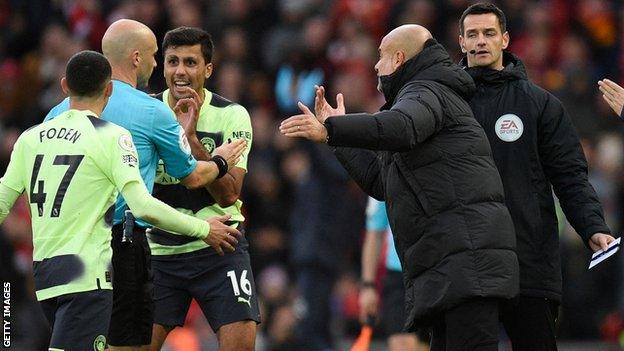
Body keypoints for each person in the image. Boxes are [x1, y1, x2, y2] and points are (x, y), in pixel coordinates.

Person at [280, 24, 519, 351]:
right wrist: (337, 142)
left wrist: (334, 129)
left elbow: (402, 128)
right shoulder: (419, 99)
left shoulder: (426, 91)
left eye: (381, 57)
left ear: (399, 58)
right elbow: (382, 184)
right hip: (450, 263)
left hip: (466, 261)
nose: (376, 66)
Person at [0, 50, 242, 351]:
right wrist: (203, 228)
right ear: (109, 89)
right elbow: (142, 206)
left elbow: (2, 203)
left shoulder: (29, 138)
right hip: (87, 279)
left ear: (65, 87)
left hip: (46, 280)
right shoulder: (112, 136)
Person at [458, 3, 616, 350]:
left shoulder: (539, 105)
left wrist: (593, 226)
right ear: (461, 42)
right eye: (472, 34)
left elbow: (569, 175)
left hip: (527, 257)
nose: (480, 41)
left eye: (488, 33)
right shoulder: (446, 104)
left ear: (505, 39)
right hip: (465, 260)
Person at [147, 27, 259, 351]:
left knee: (241, 344)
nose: (180, 71)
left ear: (208, 69)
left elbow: (228, 194)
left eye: (191, 62)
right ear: (163, 66)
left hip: (220, 249)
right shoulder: (145, 115)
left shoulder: (232, 115)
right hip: (159, 251)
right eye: (173, 62)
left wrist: (193, 140)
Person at [359, 197, 428, 351]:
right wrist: (368, 286)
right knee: (402, 344)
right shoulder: (384, 177)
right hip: (399, 275)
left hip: (438, 271)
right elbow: (374, 233)